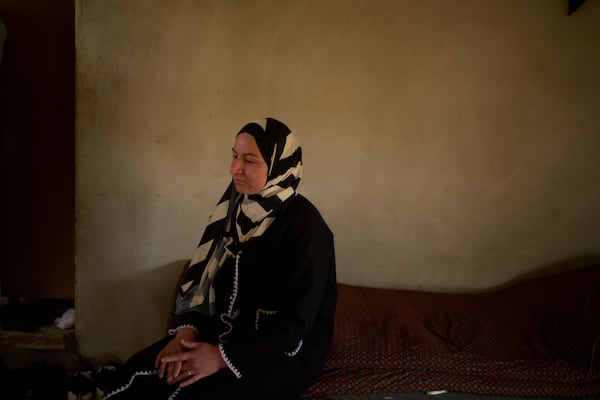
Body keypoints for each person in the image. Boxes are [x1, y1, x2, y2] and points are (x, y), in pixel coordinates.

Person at [104, 118, 337, 400]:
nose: (233, 169)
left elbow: (296, 325)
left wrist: (219, 357)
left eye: (249, 160)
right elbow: (206, 277)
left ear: (279, 166)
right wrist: (186, 332)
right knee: (134, 375)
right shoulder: (235, 208)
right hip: (226, 334)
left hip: (279, 353)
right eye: (234, 156)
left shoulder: (306, 229)